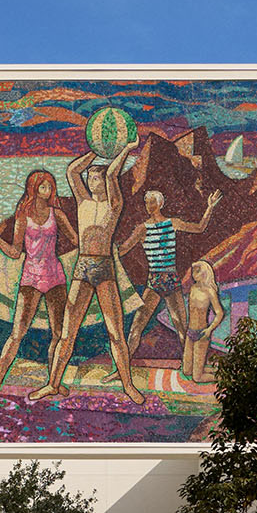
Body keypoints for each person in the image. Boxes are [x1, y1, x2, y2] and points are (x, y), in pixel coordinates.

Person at [38, 142, 146, 403]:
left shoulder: (114, 204)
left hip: (105, 268)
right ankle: (53, 383)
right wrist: (96, 149)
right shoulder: (82, 202)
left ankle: (128, 384)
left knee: (115, 332)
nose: (89, 180)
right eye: (89, 178)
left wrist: (125, 149)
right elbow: (72, 171)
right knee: (67, 332)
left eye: (93, 177)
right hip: (83, 266)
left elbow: (111, 175)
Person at [0, 169, 76, 393]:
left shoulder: (57, 214)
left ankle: (54, 382)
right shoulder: (22, 216)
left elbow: (75, 239)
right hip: (31, 279)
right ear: (33, 188)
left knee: (59, 334)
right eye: (43, 186)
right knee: (17, 333)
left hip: (55, 277)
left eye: (50, 186)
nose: (48, 190)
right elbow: (15, 252)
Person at [120, 187, 221, 352]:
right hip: (154, 280)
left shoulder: (172, 223)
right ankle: (122, 366)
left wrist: (209, 207)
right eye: (146, 202)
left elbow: (199, 227)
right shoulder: (142, 229)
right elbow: (123, 249)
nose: (149, 205)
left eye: (152, 202)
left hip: (171, 279)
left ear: (160, 204)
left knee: (181, 326)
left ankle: (188, 365)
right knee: (137, 326)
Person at [180, 260, 226, 383]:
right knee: (186, 371)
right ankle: (207, 369)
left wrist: (209, 329)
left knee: (197, 378)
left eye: (196, 271)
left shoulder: (210, 291)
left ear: (204, 273)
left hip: (202, 333)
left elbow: (220, 313)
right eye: (193, 271)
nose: (193, 274)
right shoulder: (193, 288)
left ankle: (224, 377)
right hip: (190, 331)